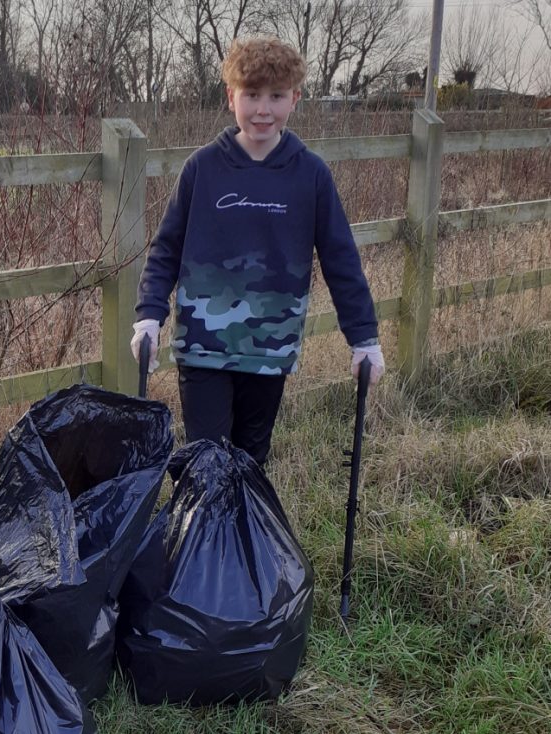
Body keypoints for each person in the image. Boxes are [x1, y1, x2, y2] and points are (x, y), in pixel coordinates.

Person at [130, 36, 384, 466]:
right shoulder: (202, 169)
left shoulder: (312, 176)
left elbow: (342, 261)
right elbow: (166, 250)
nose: (263, 109)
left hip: (268, 351)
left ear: (295, 99)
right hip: (203, 346)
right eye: (251, 94)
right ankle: (200, 535)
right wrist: (149, 316)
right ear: (231, 96)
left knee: (250, 463)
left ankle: (244, 536)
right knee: (205, 462)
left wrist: (364, 339)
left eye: (276, 96)